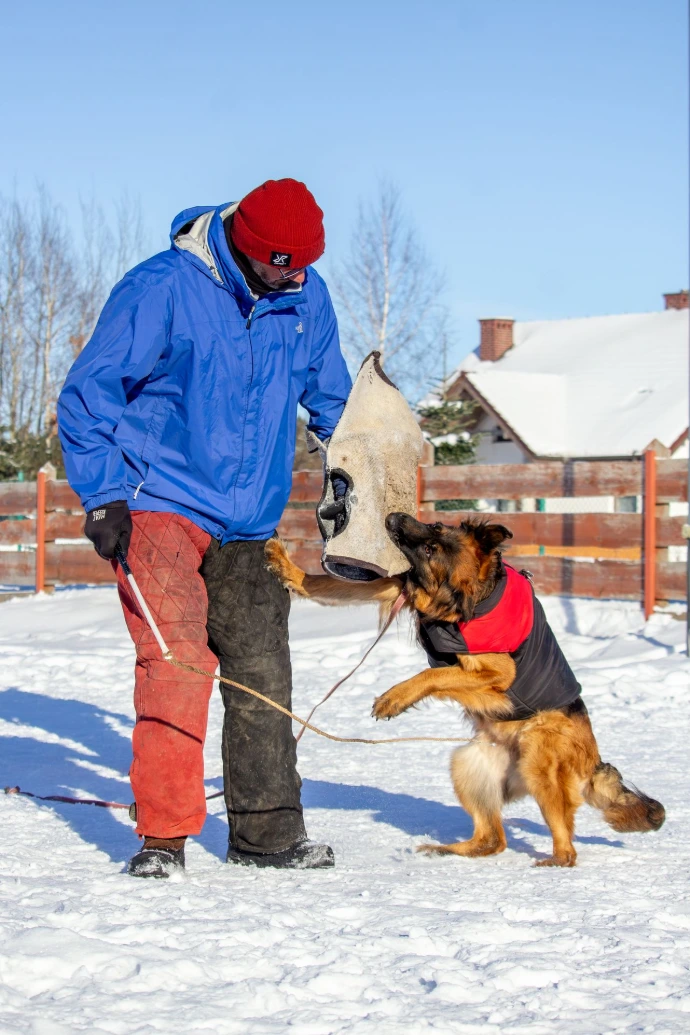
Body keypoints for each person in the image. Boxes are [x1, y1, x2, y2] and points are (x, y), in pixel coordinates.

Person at [58, 179, 352, 877]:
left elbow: (332, 396)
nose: (297, 278)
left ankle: (267, 836)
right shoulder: (162, 287)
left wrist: (350, 475)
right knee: (178, 661)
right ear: (251, 249)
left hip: (250, 518)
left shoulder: (305, 296)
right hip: (159, 498)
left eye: (306, 265)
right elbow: (90, 392)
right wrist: (102, 495)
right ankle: (163, 838)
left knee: (262, 668)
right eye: (284, 265)